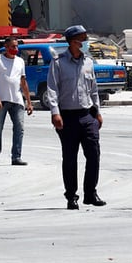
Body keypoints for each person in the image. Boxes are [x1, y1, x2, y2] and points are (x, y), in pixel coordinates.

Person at [46, 24, 105, 210]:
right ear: (73, 42)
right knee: (70, 159)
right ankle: (71, 196)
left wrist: (98, 112)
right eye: (83, 38)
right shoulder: (58, 63)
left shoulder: (88, 62)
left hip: (87, 116)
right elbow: (52, 89)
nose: (86, 42)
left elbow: (93, 89)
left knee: (94, 155)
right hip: (67, 117)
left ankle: (90, 193)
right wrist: (55, 113)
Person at [0, 35, 33, 165]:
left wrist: (29, 102)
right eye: (13, 46)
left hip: (17, 100)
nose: (16, 49)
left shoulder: (20, 61)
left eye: (17, 46)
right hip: (1, 101)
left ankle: (16, 157)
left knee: (19, 128)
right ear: (6, 47)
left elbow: (23, 82)